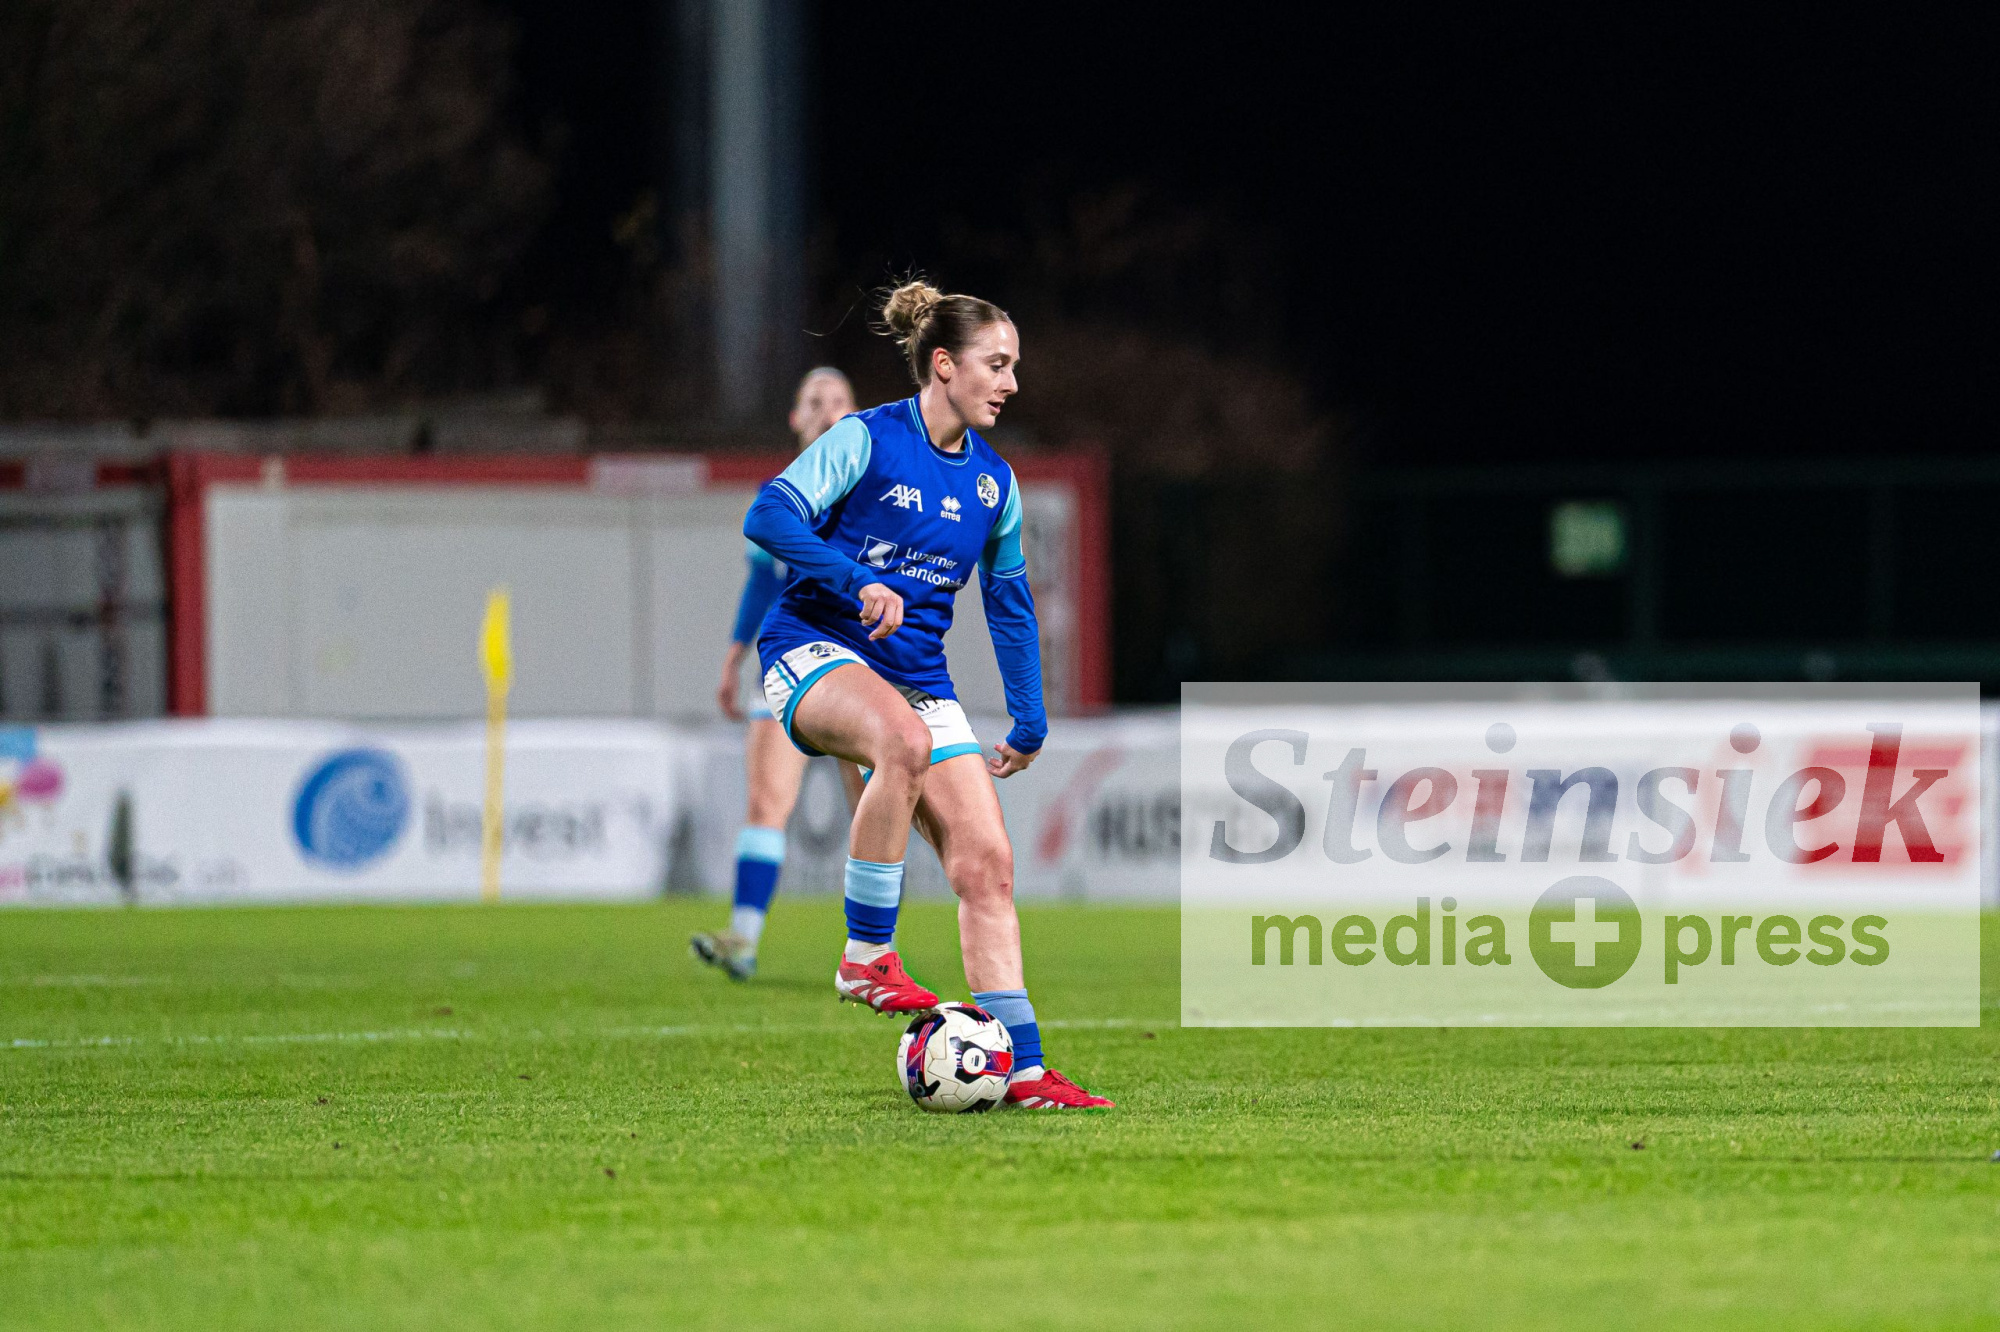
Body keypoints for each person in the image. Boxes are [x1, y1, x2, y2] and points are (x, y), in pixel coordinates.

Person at [739, 279, 1112, 1109]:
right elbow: (768, 515)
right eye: (997, 365)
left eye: (1013, 367)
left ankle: (1023, 1069)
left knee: (989, 868)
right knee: (901, 742)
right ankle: (866, 955)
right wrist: (854, 577)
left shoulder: (995, 485)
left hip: (916, 681)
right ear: (944, 365)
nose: (1012, 383)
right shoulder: (865, 439)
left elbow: (1009, 604)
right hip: (811, 649)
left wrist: (1029, 715)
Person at [690, 367, 857, 980]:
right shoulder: (778, 495)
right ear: (796, 418)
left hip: (860, 662)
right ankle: (744, 939)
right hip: (790, 660)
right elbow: (762, 580)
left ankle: (872, 951)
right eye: (815, 400)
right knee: (766, 801)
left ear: (856, 415)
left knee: (871, 807)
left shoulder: (875, 487)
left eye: (839, 400)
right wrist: (734, 656)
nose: (827, 410)